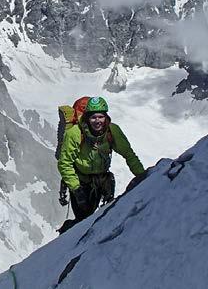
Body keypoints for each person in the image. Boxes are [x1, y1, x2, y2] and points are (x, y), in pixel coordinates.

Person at [57, 96, 146, 232]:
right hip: (81, 182)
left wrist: (142, 176)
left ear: (106, 117)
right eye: (93, 117)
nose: (97, 121)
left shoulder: (112, 131)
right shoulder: (75, 134)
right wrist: (76, 188)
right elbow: (65, 163)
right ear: (87, 117)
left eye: (100, 117)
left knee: (100, 214)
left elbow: (128, 154)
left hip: (101, 180)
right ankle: (68, 233)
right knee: (83, 219)